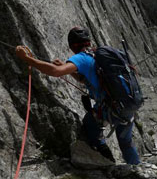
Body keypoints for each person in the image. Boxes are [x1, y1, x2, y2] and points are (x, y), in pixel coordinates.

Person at [15, 27, 141, 165]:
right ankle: (138, 169)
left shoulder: (81, 58)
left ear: (72, 45)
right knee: (126, 142)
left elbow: (56, 72)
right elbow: (84, 79)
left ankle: (105, 158)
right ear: (88, 41)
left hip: (111, 108)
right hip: (129, 104)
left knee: (90, 122)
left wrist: (28, 59)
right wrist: (66, 67)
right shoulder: (98, 55)